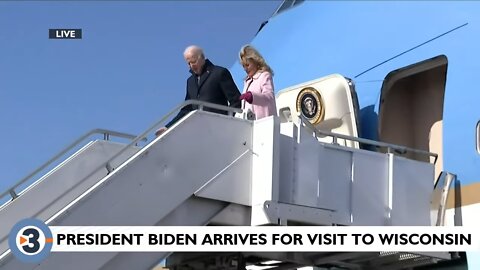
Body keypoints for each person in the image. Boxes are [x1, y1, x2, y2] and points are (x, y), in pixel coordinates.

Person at [156, 45, 241, 136]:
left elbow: (235, 100)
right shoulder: (190, 81)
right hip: (198, 131)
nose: (192, 66)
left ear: (202, 58)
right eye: (188, 63)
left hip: (220, 127)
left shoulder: (219, 73)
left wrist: (228, 122)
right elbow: (187, 108)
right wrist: (168, 127)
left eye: (193, 62)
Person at [238, 45, 277, 120]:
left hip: (264, 123)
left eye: (247, 65)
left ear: (255, 61)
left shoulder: (265, 76)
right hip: (250, 124)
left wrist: (253, 97)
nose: (245, 69)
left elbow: (269, 97)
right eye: (243, 66)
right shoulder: (247, 82)